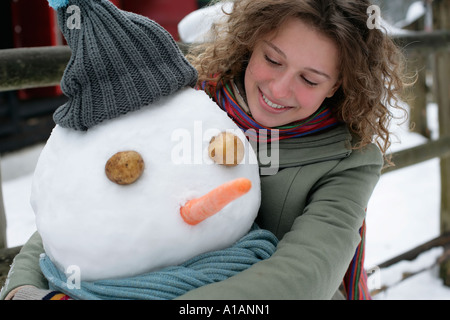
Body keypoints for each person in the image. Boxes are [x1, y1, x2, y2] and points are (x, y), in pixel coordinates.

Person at [1, 0, 410, 300]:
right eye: (273, 59)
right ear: (253, 43)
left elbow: (305, 274)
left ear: (338, 85)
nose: (279, 89)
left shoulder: (349, 159)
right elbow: (88, 201)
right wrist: (23, 284)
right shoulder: (194, 103)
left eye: (310, 79)